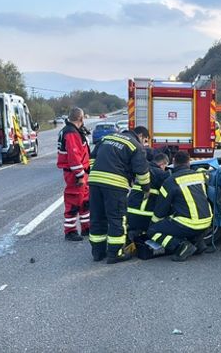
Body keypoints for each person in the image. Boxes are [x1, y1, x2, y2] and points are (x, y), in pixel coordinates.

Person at [88, 126, 151, 264]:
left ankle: (97, 252)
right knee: (117, 218)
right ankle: (115, 253)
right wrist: (146, 188)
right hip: (115, 184)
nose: (144, 144)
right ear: (140, 135)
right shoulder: (135, 146)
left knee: (97, 217)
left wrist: (94, 172)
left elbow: (92, 157)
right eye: (145, 140)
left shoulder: (108, 137)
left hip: (94, 181)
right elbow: (142, 171)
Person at [145, 150, 213, 262]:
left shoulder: (170, 181)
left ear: (173, 161)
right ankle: (198, 243)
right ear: (189, 162)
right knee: (183, 221)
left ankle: (181, 246)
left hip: (189, 224)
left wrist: (153, 224)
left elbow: (161, 210)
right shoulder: (200, 176)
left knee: (153, 231)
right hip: (207, 222)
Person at [57, 107, 91, 241]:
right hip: (75, 174)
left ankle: (86, 227)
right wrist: (80, 175)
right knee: (73, 202)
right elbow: (74, 157)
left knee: (84, 201)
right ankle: (70, 231)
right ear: (80, 118)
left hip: (81, 172)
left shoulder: (73, 131)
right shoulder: (71, 133)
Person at [127, 150, 169, 239]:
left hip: (130, 213)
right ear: (163, 163)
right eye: (165, 166)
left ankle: (134, 236)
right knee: (162, 228)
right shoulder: (160, 174)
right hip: (145, 215)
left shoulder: (142, 169)